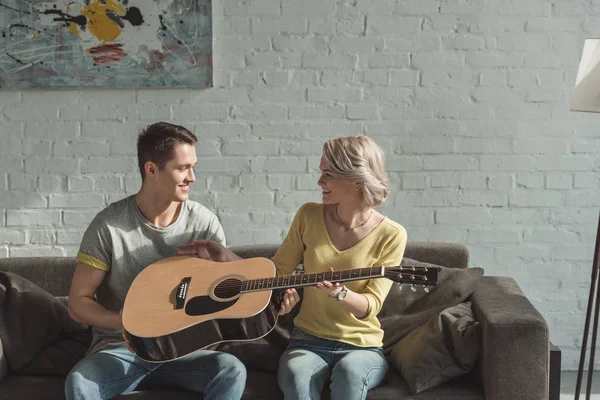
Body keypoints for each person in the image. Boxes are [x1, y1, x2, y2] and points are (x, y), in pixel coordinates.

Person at [177, 136, 407, 400]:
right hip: (308, 342)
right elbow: (277, 271)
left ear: (355, 180)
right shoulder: (309, 216)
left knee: (350, 373)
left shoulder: (392, 234)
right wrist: (227, 257)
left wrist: (340, 293)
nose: (320, 182)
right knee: (297, 374)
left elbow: (370, 306)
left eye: (328, 175)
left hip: (362, 347)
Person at [64, 122, 247, 400]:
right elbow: (78, 303)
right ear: (151, 170)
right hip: (122, 350)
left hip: (187, 351)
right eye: (182, 168)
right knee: (80, 383)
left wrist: (229, 260)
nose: (192, 177)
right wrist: (125, 323)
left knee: (231, 370)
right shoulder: (109, 226)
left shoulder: (203, 222)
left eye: (193, 166)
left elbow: (232, 291)